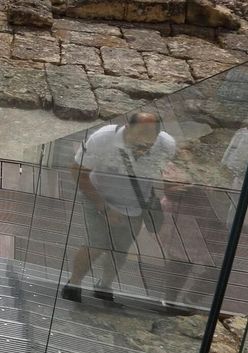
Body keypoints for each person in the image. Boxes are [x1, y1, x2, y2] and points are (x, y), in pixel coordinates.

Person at [59, 111, 183, 305]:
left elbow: (171, 175)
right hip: (98, 197)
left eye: (147, 144)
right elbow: (78, 173)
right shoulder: (103, 138)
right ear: (127, 128)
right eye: (137, 140)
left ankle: (105, 285)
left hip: (134, 204)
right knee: (95, 245)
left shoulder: (166, 145)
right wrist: (104, 208)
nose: (141, 148)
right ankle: (74, 284)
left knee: (120, 248)